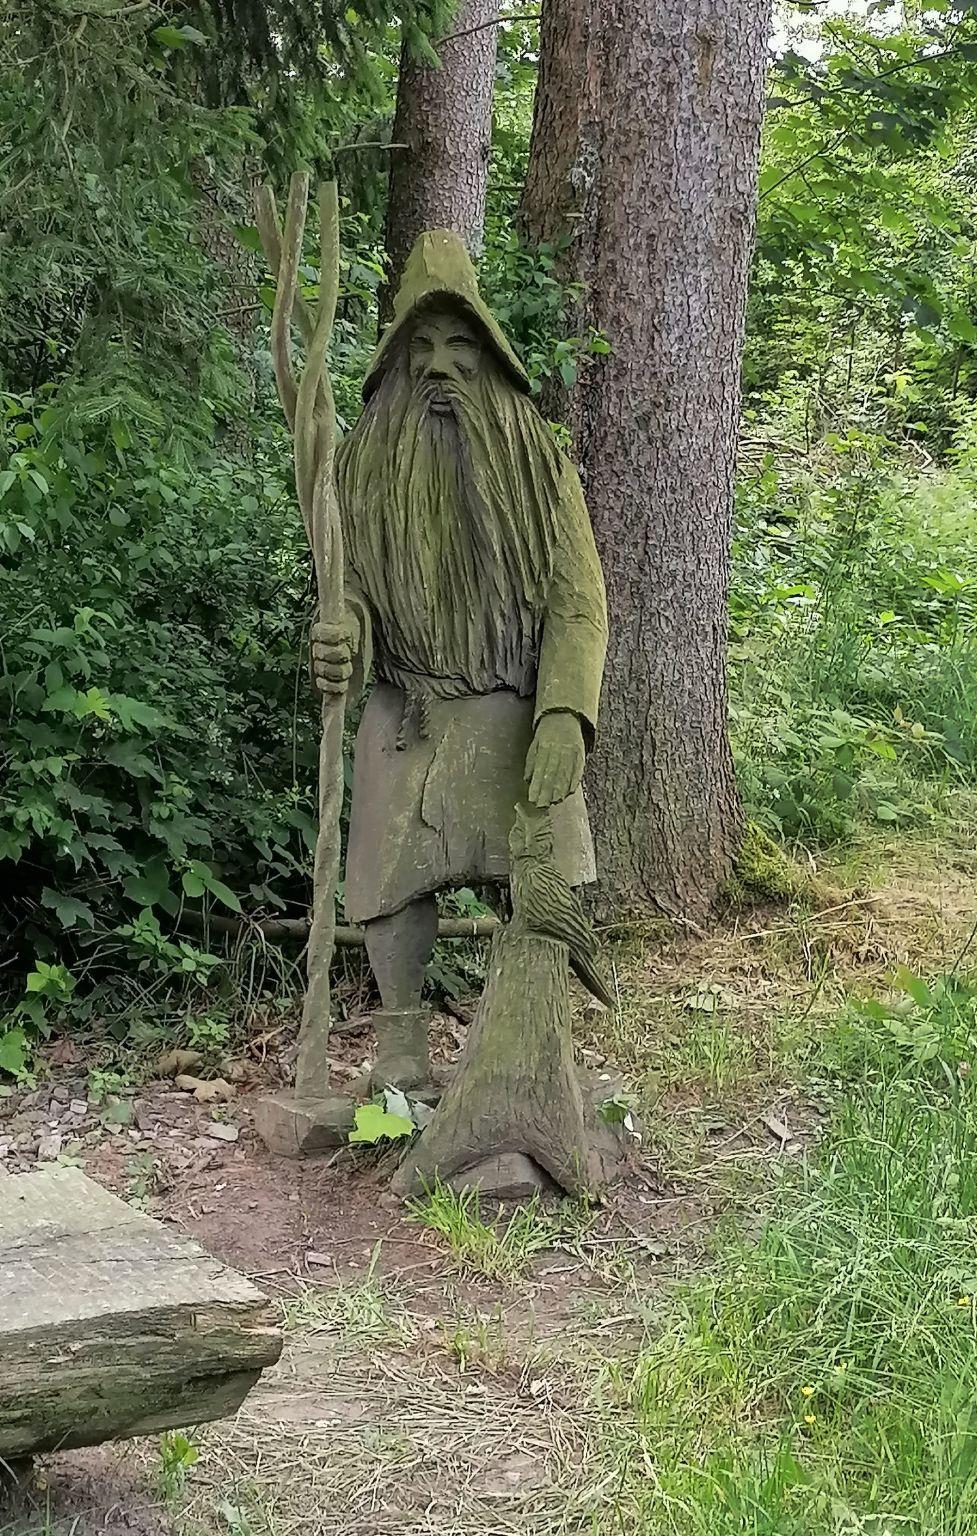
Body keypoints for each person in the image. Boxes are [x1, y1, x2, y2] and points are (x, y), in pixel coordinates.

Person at [312, 230, 607, 1090]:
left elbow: (578, 602)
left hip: (517, 710)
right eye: (423, 347)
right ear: (399, 359)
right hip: (410, 712)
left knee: (545, 877)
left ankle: (536, 1041)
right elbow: (349, 590)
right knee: (391, 881)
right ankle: (401, 1046)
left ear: (489, 355)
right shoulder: (360, 471)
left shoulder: (542, 469)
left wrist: (565, 714)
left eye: (459, 347)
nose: (440, 367)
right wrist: (342, 635)